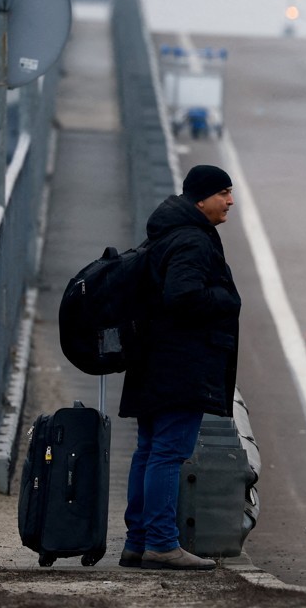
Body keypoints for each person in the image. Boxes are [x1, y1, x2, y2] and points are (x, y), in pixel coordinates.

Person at [118, 164, 242, 570]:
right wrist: (228, 300)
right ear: (201, 199)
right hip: (181, 363)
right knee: (169, 453)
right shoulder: (192, 240)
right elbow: (183, 296)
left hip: (153, 358)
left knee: (149, 450)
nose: (230, 200)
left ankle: (137, 541)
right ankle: (161, 543)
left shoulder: (166, 232)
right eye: (223, 193)